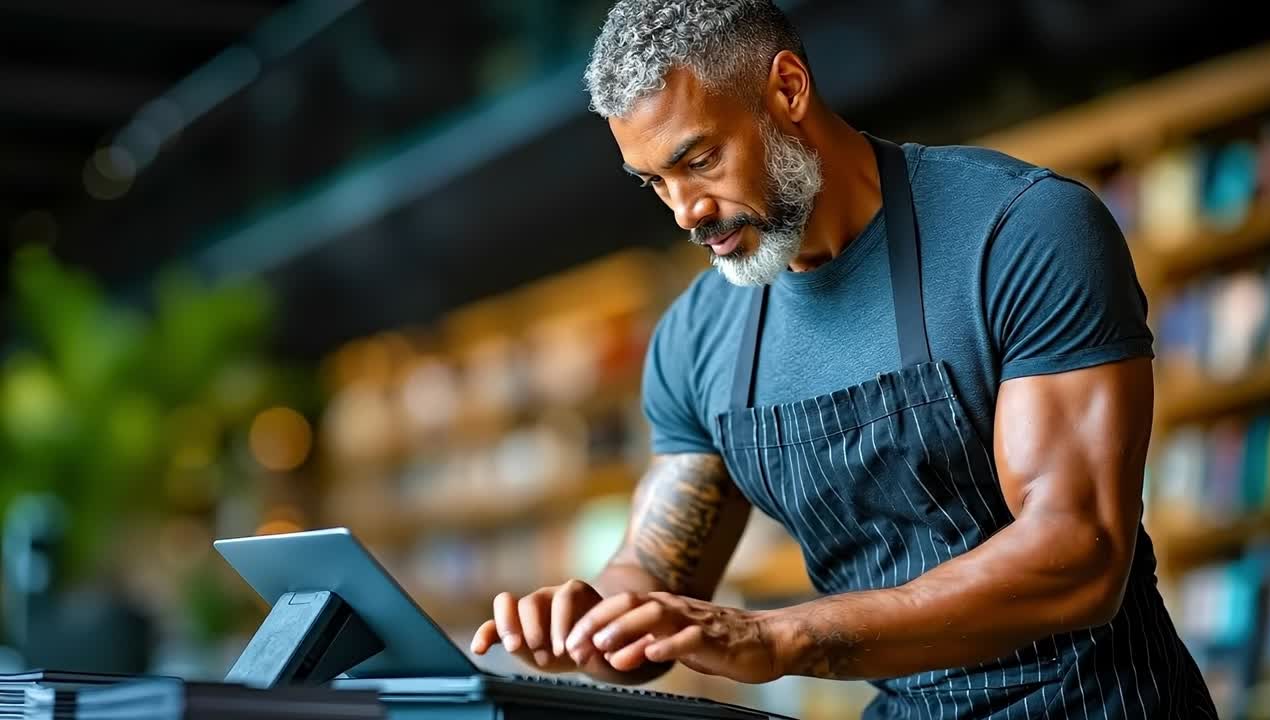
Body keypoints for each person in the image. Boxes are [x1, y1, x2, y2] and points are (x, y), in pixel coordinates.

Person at [471, 1, 1218, 716]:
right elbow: (655, 577)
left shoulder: (1020, 232)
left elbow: (1077, 557)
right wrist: (590, 624)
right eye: (656, 183)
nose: (685, 212)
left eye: (699, 160)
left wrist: (783, 635)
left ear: (787, 89)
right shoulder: (698, 339)